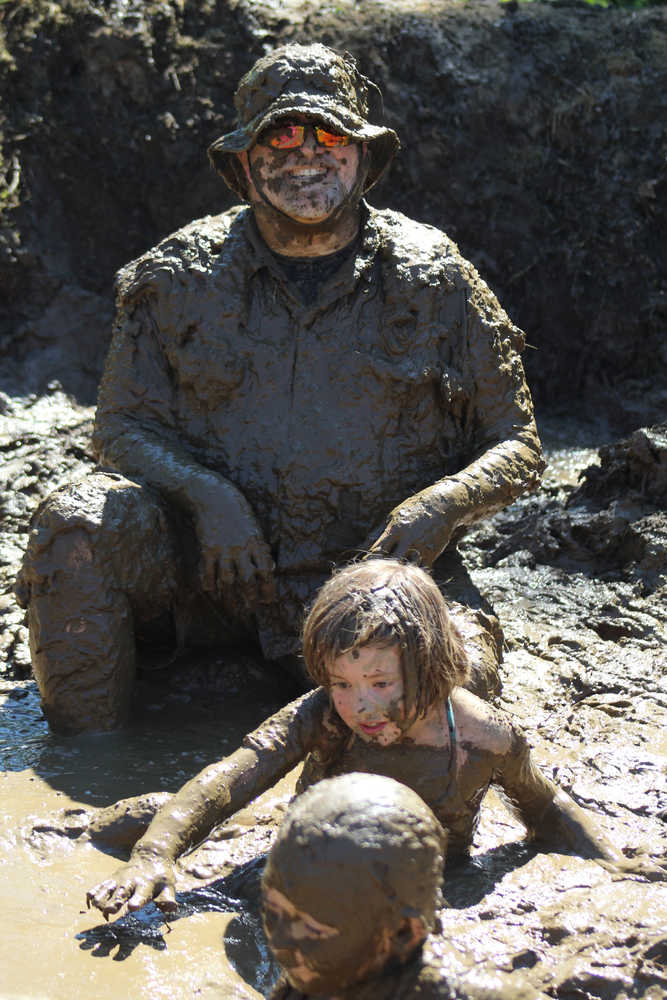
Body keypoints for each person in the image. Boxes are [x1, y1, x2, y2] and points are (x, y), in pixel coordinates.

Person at [15, 42, 544, 733]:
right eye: (279, 135)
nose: (305, 154)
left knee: (456, 704)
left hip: (382, 579)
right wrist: (211, 499)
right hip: (214, 578)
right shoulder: (173, 275)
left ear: (363, 154)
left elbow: (518, 443)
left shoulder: (436, 276)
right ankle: (85, 763)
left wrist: (439, 507)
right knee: (77, 523)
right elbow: (117, 427)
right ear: (242, 162)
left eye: (328, 134)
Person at [85, 559, 656, 921]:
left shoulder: (483, 739)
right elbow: (238, 771)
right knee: (119, 826)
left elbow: (546, 809)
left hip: (422, 883)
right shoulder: (323, 715)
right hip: (316, 856)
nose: (361, 705)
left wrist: (615, 868)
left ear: (430, 668)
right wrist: (152, 856)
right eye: (342, 682)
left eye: (380, 682)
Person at [261, 772, 536, 1000]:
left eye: (311, 929)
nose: (279, 943)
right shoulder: (314, 973)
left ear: (404, 932)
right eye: (273, 913)